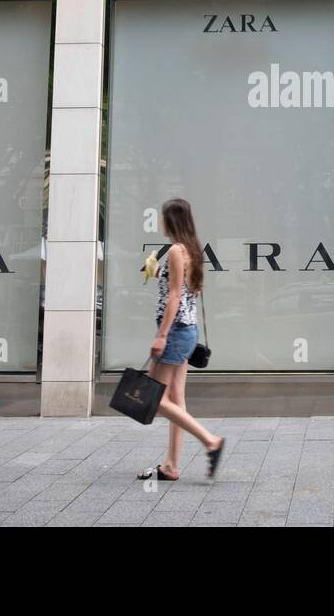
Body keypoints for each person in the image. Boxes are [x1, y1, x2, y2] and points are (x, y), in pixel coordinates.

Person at [137, 199, 227, 481]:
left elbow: (175, 296)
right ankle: (171, 466)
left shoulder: (176, 251)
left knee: (153, 397)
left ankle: (210, 441)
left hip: (175, 332)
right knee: (176, 398)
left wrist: (161, 335)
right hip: (188, 330)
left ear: (172, 220)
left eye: (164, 218)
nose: (161, 223)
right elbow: (193, 291)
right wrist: (154, 272)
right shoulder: (192, 250)